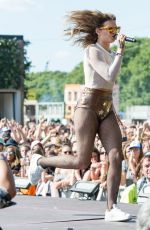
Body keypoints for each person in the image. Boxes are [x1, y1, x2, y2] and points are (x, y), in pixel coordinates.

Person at [28, 10, 132, 221]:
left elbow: (110, 83)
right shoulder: (91, 50)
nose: (114, 32)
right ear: (98, 31)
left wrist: (117, 53)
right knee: (81, 161)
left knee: (115, 156)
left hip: (106, 105)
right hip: (87, 106)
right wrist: (121, 50)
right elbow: (108, 75)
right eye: (110, 29)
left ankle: (111, 208)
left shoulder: (112, 54)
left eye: (116, 29)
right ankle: (40, 161)